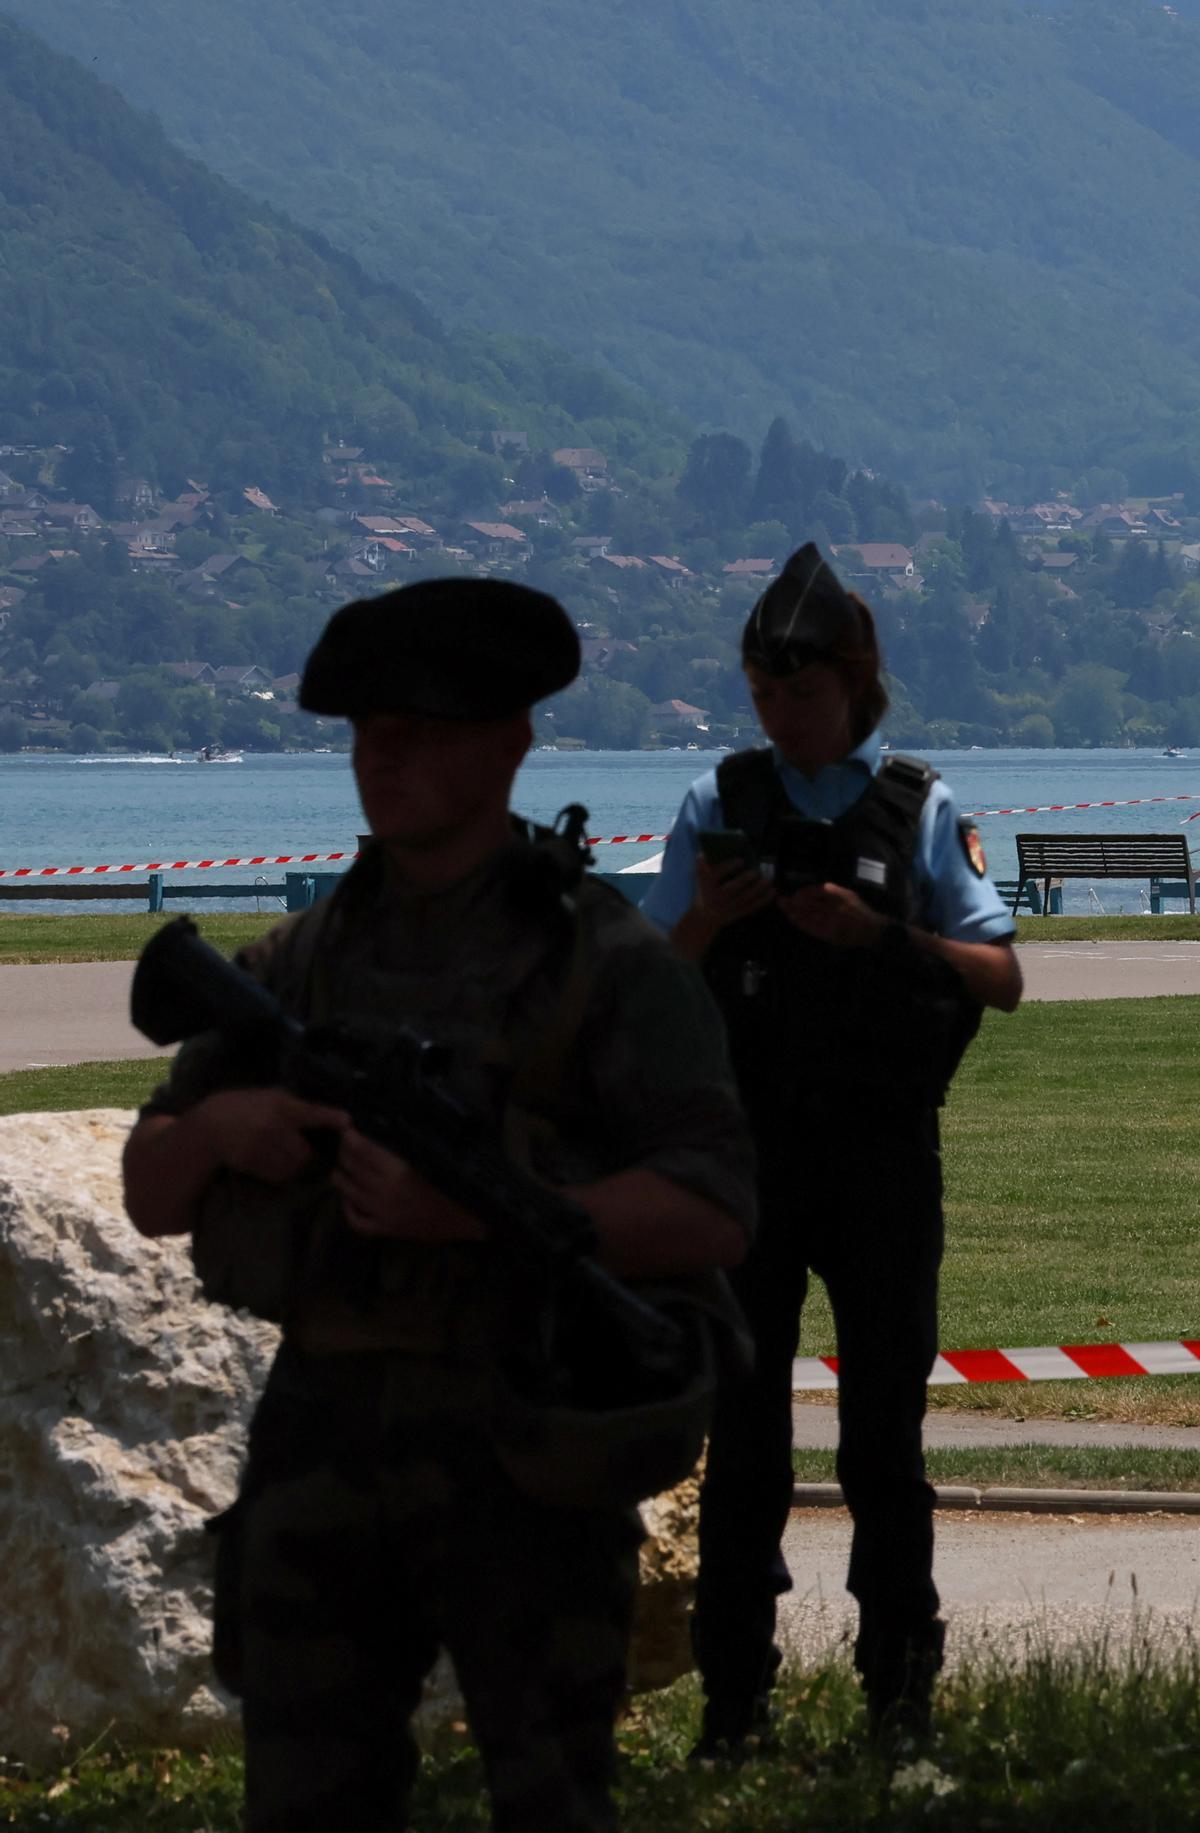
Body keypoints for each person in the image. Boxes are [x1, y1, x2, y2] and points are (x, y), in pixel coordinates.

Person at [122, 577, 755, 1833]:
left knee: (551, 1794)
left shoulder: (604, 962)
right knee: (304, 1798)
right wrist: (221, 1128)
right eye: (366, 731)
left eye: (423, 729)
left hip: (521, 1442)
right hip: (323, 1434)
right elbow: (151, 1191)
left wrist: (484, 1211)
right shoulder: (297, 968)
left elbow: (713, 1211)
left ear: (512, 740)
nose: (385, 757)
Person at [639, 544, 1023, 1759]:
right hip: (746, 1160)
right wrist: (712, 917)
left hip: (881, 1160)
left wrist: (876, 935)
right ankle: (733, 1708)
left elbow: (999, 977)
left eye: (797, 695)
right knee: (743, 1449)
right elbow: (649, 982)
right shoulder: (718, 802)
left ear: (854, 685)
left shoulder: (920, 805)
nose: (777, 716)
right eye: (760, 694)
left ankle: (898, 1699)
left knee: (882, 1450)